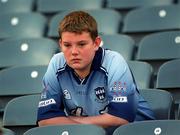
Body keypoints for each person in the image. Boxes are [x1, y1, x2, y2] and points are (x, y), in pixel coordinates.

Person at [37, 10, 155, 134]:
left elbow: (121, 118)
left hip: (140, 130)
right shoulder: (56, 63)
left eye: (81, 44)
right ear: (60, 44)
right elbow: (44, 120)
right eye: (67, 45)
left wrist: (70, 121)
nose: (74, 52)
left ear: (96, 43)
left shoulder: (114, 61)